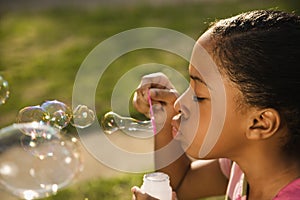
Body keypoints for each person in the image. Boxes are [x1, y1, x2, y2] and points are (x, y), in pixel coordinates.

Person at [130, 9, 300, 200]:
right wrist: (163, 115)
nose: (178, 103)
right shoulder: (241, 165)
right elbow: (179, 184)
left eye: (199, 97)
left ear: (260, 123)